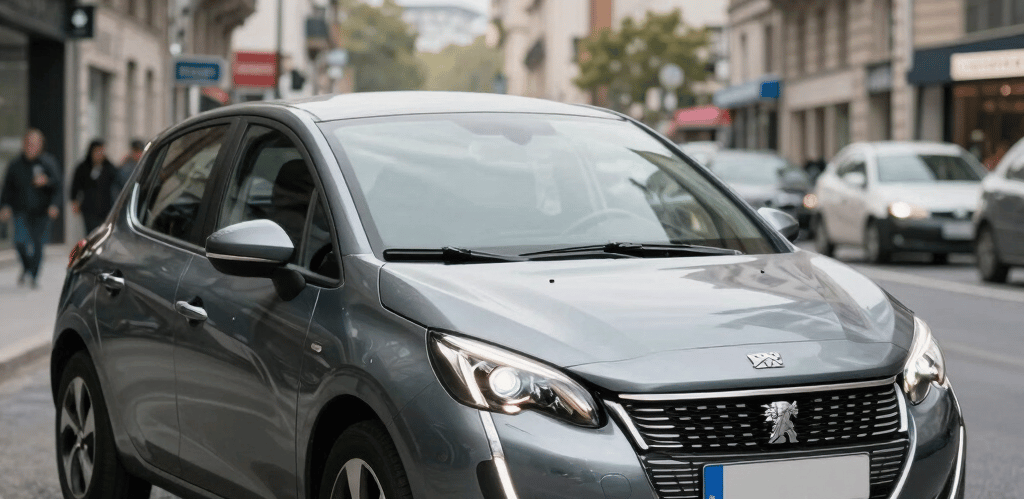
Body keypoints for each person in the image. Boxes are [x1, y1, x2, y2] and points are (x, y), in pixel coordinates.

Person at [0, 128, 62, 288]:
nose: (31, 147)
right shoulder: (15, 165)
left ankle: (33, 275)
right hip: (20, 210)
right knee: (19, 241)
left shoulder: (48, 163)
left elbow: (58, 186)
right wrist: (5, 206)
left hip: (42, 211)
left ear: (40, 145)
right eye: (28, 143)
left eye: (34, 144)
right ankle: (28, 267)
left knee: (38, 244)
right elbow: (7, 188)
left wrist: (54, 203)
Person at [70, 139, 118, 234]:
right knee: (91, 233)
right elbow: (75, 186)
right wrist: (75, 202)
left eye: (101, 151)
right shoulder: (83, 167)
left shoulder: (109, 167)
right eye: (97, 151)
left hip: (106, 207)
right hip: (89, 208)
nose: (99, 154)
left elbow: (117, 182)